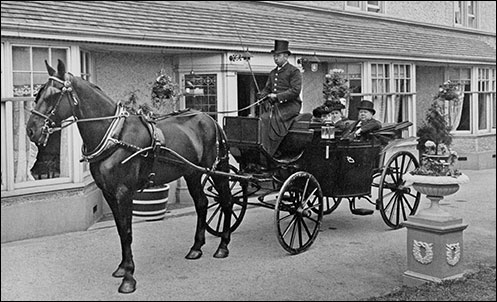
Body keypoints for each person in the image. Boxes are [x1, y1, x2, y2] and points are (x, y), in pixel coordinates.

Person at [257, 39, 302, 157]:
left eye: (278, 56)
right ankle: (261, 150)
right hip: (277, 107)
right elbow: (268, 88)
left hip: (291, 106)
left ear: (286, 57)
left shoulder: (294, 71)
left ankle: (269, 153)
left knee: (268, 119)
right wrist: (262, 95)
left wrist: (277, 97)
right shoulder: (273, 73)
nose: (275, 58)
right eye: (274, 56)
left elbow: (295, 91)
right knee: (261, 119)